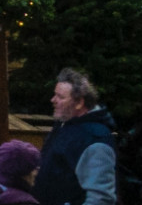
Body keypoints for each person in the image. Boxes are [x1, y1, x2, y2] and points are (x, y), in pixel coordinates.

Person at [36, 69, 119, 205]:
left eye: (60, 97)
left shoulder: (95, 138)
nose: (53, 100)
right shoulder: (63, 126)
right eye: (54, 95)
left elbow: (100, 198)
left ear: (80, 102)